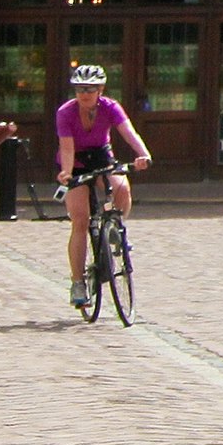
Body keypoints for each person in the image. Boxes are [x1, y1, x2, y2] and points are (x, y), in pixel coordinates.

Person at [54, 62, 148, 309]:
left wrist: (143, 154)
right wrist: (66, 172)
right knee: (80, 220)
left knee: (122, 187)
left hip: (101, 155)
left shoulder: (110, 107)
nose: (84, 94)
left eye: (90, 88)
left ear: (100, 90)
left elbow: (129, 132)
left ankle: (115, 229)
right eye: (80, 89)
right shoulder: (66, 112)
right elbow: (66, 146)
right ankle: (77, 283)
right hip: (75, 160)